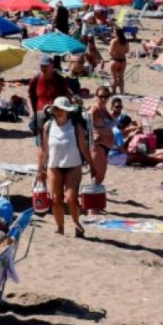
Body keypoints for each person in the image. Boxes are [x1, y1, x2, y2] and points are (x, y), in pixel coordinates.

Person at [37, 97, 95, 238]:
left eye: (62, 110)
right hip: (53, 166)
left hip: (73, 165)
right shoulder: (48, 126)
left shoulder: (76, 127)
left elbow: (83, 147)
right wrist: (39, 169)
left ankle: (76, 223)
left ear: (68, 111)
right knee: (56, 198)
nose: (59, 112)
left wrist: (92, 165)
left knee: (71, 198)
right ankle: (60, 227)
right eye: (57, 109)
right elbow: (44, 150)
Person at [28, 55, 70, 134]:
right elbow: (29, 96)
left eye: (46, 66)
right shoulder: (35, 79)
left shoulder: (59, 80)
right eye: (42, 66)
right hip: (40, 114)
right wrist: (31, 112)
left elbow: (67, 95)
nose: (43, 68)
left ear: (52, 67)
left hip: (55, 114)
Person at [89, 86, 115, 188]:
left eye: (106, 96)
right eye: (101, 97)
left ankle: (93, 195)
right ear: (96, 96)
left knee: (100, 176)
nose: (103, 99)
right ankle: (92, 197)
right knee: (98, 176)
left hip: (105, 145)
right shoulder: (94, 110)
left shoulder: (103, 108)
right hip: (98, 145)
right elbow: (86, 127)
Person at [108, 26, 130, 95]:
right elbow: (127, 51)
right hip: (123, 60)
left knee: (114, 77)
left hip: (115, 60)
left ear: (116, 33)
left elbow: (110, 51)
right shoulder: (125, 41)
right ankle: (122, 92)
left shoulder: (114, 41)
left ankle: (114, 92)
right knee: (121, 77)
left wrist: (112, 54)